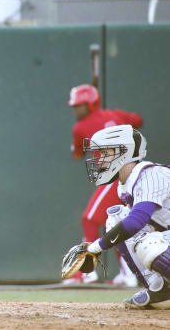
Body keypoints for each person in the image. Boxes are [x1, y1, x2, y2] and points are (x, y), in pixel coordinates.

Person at [82, 124, 170, 309]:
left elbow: (136, 222)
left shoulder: (150, 175)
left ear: (125, 152)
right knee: (116, 217)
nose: (99, 160)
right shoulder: (126, 183)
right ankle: (160, 288)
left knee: (150, 245)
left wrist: (96, 247)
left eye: (105, 152)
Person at [65, 84, 143, 285]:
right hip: (132, 172)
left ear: (91, 105)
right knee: (116, 223)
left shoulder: (80, 127)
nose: (76, 110)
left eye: (79, 106)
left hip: (115, 174)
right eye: (74, 106)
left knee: (90, 218)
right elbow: (137, 120)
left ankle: (86, 271)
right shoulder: (115, 114)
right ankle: (129, 273)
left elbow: (77, 154)